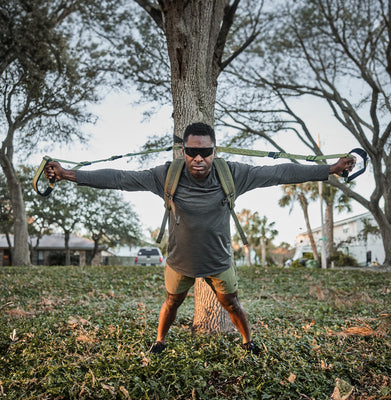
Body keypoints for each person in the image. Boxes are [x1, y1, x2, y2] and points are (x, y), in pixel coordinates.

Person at [44, 122, 355, 355]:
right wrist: (69, 174)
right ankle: (160, 341)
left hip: (219, 261)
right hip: (179, 261)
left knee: (232, 304)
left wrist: (330, 169)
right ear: (184, 152)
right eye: (191, 151)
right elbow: (121, 179)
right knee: (171, 302)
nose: (198, 158)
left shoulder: (233, 174)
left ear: (213, 151)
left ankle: (248, 343)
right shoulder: (166, 174)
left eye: (205, 152)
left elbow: (279, 173)